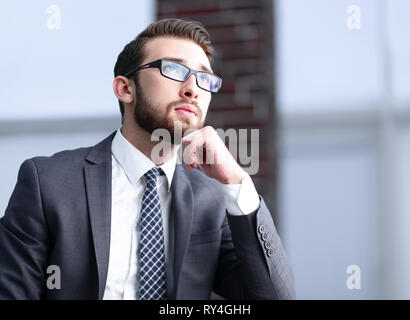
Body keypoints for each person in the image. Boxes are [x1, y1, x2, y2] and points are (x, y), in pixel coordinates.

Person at [0, 19, 295, 300]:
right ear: (125, 89)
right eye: (174, 70)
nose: (193, 89)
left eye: (204, 78)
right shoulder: (47, 182)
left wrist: (236, 179)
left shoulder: (212, 200)